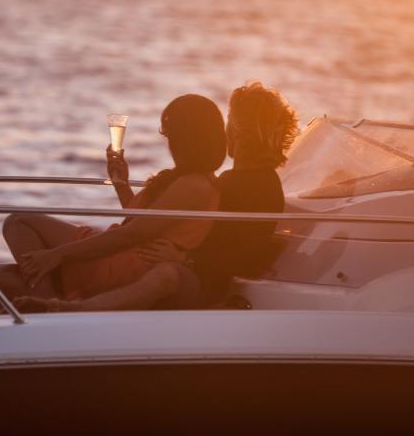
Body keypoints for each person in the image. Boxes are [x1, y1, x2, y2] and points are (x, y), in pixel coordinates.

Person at [16, 81, 299, 311]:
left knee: (166, 275)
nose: (224, 131)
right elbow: (160, 223)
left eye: (230, 122)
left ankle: (75, 308)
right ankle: (53, 297)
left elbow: (242, 255)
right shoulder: (229, 180)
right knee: (6, 273)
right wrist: (122, 186)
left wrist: (186, 260)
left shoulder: (258, 187)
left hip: (203, 283)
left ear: (242, 132)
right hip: (179, 267)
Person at [0, 94, 227, 309]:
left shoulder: (195, 185)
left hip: (124, 266)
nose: (170, 142)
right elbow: (138, 221)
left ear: (191, 137)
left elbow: (134, 234)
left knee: (7, 273)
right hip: (115, 248)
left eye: (173, 134)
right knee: (18, 225)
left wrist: (58, 255)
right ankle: (43, 293)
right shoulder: (178, 178)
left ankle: (47, 301)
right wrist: (121, 184)